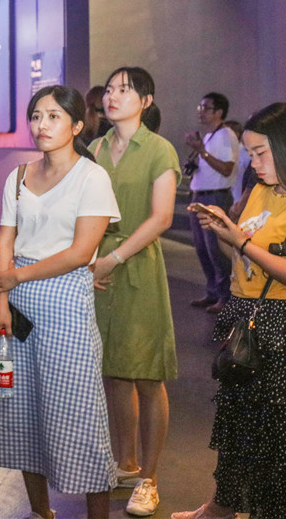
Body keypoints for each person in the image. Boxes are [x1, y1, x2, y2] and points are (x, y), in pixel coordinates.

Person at [177, 102, 286, 519]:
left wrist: (240, 241)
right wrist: (225, 233)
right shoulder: (261, 192)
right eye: (251, 153)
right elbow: (243, 261)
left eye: (260, 153)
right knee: (242, 428)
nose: (253, 163)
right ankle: (221, 507)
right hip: (252, 320)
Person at [0, 85, 120, 519]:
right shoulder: (18, 176)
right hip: (17, 302)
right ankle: (42, 512)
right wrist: (1, 300)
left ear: (77, 126)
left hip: (65, 301)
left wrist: (15, 276)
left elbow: (81, 253)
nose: (42, 125)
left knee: (79, 412)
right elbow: (6, 239)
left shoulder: (92, 177)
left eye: (54, 116)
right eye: (36, 116)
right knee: (20, 409)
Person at [85, 67, 179, 517]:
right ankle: (125, 463)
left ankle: (150, 478)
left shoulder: (159, 149)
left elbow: (161, 217)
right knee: (114, 372)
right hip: (98, 267)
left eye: (124, 89)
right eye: (109, 89)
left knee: (146, 374)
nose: (113, 96)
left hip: (136, 264)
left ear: (146, 100)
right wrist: (90, 260)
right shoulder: (94, 149)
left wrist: (113, 258)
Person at [184, 92, 240, 314]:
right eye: (200, 107)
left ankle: (226, 297)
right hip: (200, 194)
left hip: (215, 197)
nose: (201, 112)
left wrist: (202, 152)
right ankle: (213, 292)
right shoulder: (209, 136)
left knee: (217, 249)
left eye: (206, 108)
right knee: (202, 248)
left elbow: (226, 168)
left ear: (219, 112)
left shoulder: (226, 135)